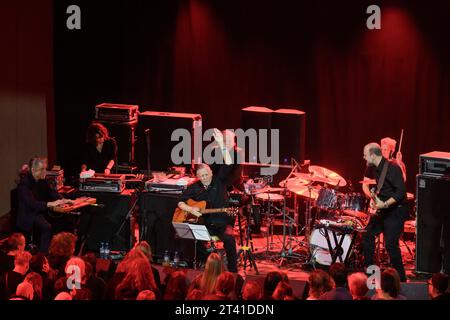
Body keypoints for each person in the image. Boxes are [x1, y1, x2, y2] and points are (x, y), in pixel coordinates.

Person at [177, 164, 238, 272]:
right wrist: (190, 209)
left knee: (229, 239)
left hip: (221, 223)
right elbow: (180, 201)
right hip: (204, 224)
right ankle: (210, 261)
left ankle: (233, 271)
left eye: (206, 174)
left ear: (211, 173)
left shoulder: (219, 182)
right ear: (197, 176)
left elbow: (228, 165)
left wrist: (226, 149)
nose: (205, 178)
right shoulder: (195, 187)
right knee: (186, 237)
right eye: (202, 176)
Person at [362, 143, 408, 282]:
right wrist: (374, 197)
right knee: (368, 235)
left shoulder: (393, 168)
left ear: (373, 155)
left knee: (390, 245)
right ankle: (372, 275)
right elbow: (383, 188)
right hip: (384, 210)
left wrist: (385, 203)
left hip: (396, 211)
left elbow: (401, 191)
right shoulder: (375, 169)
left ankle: (402, 280)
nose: (363, 157)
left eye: (365, 154)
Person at [16, 157, 69, 253]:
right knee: (46, 227)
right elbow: (31, 204)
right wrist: (50, 203)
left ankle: (51, 252)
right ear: (33, 170)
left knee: (61, 222)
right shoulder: (24, 184)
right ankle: (42, 256)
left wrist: (64, 200)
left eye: (45, 169)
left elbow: (51, 192)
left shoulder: (42, 180)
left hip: (39, 211)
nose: (45, 172)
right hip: (29, 215)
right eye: (42, 169)